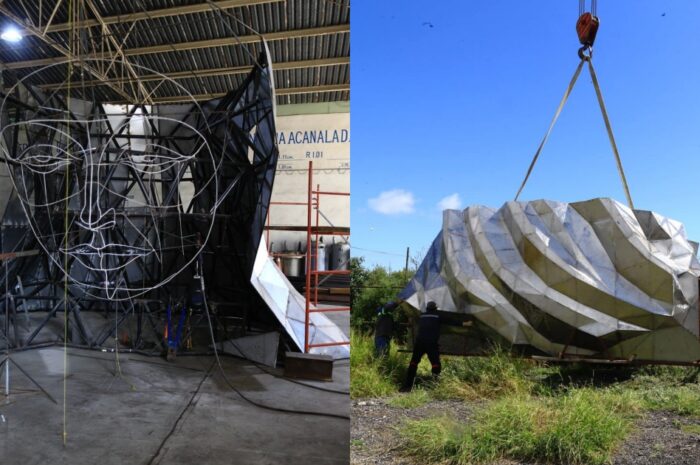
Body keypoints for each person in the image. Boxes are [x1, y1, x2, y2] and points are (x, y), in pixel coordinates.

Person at [401, 301, 470, 392]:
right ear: (436, 309)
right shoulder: (437, 316)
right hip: (431, 343)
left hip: (419, 343)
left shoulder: (422, 316)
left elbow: (414, 319)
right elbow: (451, 321)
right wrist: (465, 324)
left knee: (413, 363)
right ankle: (434, 385)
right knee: (435, 364)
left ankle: (407, 386)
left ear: (427, 308)